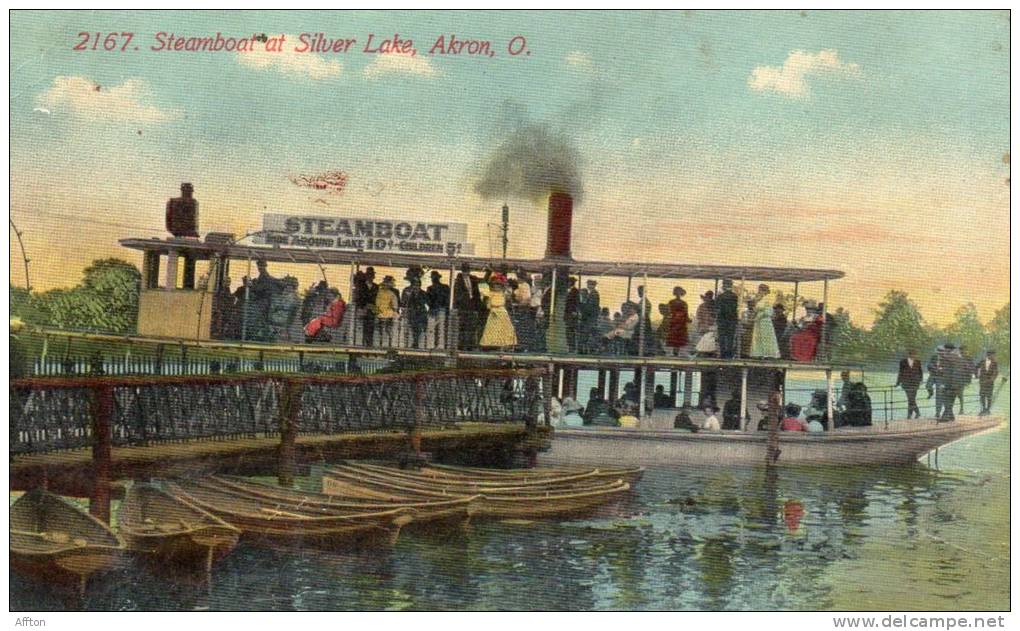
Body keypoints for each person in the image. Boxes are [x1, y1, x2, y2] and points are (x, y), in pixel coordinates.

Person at [478, 272, 517, 350]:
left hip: (502, 313)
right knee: (493, 330)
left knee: (503, 330)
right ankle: (492, 345)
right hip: (493, 312)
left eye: (498, 284)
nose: (497, 286)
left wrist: (506, 286)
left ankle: (503, 346)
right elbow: (482, 287)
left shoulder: (503, 293)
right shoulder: (489, 293)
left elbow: (510, 295)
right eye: (495, 284)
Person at [453, 263, 482, 350]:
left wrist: (477, 305)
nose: (466, 272)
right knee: (462, 327)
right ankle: (461, 345)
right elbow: (457, 293)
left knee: (471, 326)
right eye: (465, 270)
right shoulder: (458, 280)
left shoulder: (473, 279)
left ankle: (470, 345)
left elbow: (476, 293)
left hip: (472, 306)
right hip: (463, 307)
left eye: (467, 270)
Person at [749, 284, 780, 359]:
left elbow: (768, 311)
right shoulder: (760, 299)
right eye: (759, 290)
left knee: (766, 337)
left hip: (765, 321)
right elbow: (755, 308)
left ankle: (768, 353)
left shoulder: (768, 298)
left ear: (765, 291)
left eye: (761, 290)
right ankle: (759, 353)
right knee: (758, 337)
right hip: (759, 321)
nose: (759, 291)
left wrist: (758, 316)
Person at [401, 276, 428, 349]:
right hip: (411, 314)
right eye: (414, 285)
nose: (416, 287)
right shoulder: (409, 293)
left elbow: (426, 303)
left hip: (421, 315)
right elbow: (404, 303)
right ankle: (413, 343)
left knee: (419, 329)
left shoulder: (423, 293)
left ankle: (418, 344)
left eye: (417, 285)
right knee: (411, 329)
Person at [354, 266, 379, 346]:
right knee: (362, 326)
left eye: (372, 275)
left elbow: (378, 299)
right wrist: (364, 306)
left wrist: (373, 306)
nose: (370, 277)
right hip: (363, 308)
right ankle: (362, 343)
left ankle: (369, 343)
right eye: (369, 275)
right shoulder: (361, 286)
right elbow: (358, 297)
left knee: (371, 326)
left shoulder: (376, 286)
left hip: (372, 309)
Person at [425, 270, 450, 350]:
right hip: (434, 309)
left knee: (441, 328)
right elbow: (428, 300)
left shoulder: (445, 287)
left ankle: (440, 345)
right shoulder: (430, 288)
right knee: (432, 328)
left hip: (441, 309)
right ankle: (431, 345)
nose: (434, 279)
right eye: (433, 278)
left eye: (435, 277)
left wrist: (444, 308)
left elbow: (447, 299)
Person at [896, 349, 924, 419]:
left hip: (915, 383)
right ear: (909, 355)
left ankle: (910, 414)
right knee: (911, 398)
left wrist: (921, 380)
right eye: (913, 354)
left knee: (911, 398)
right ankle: (916, 413)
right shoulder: (903, 362)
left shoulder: (918, 362)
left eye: (915, 355)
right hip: (906, 383)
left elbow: (920, 372)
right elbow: (900, 372)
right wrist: (898, 382)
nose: (914, 356)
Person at [716, 279, 739, 359]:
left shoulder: (720, 296)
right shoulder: (735, 296)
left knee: (722, 337)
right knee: (730, 338)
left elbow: (717, 309)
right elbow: (735, 308)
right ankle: (729, 355)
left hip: (722, 320)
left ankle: (723, 354)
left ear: (724, 286)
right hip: (731, 320)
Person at [665, 286, 692, 355]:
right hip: (674, 323)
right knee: (675, 339)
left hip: (680, 323)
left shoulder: (684, 303)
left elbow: (686, 314)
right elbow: (668, 312)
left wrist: (688, 320)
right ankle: (675, 353)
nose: (678, 294)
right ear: (675, 293)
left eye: (679, 292)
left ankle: (676, 353)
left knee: (678, 340)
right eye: (676, 292)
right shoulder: (671, 302)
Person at [374, 275, 399, 347]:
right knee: (381, 329)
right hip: (379, 313)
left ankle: (387, 343)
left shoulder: (392, 293)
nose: (386, 285)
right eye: (386, 283)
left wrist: (394, 312)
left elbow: (395, 305)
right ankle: (382, 343)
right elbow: (375, 302)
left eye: (388, 284)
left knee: (386, 329)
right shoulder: (378, 292)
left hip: (387, 314)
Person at [975, 350, 999, 416]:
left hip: (990, 382)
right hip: (982, 381)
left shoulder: (995, 363)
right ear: (989, 355)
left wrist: (992, 379)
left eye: (994, 355)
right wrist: (977, 375)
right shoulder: (982, 361)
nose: (994, 356)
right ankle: (983, 409)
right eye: (993, 355)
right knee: (982, 395)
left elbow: (996, 372)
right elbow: (976, 367)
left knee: (989, 396)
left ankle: (988, 410)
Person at [564, 277, 580, 353]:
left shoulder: (575, 291)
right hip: (568, 314)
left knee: (571, 331)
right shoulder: (568, 291)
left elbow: (576, 302)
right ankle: (570, 346)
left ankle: (572, 347)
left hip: (571, 314)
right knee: (568, 331)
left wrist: (574, 311)